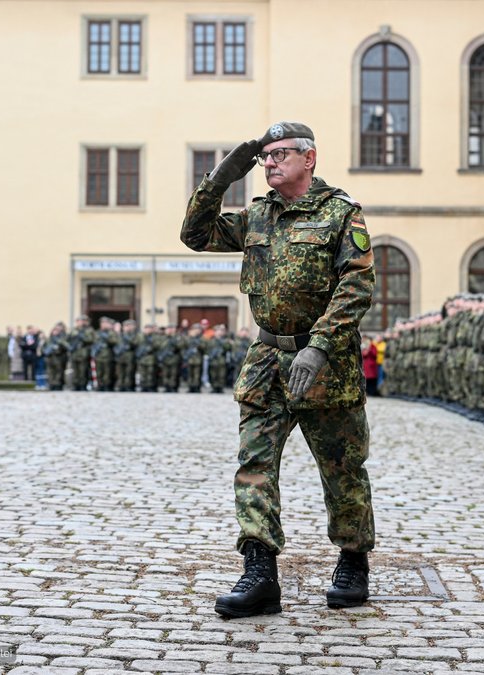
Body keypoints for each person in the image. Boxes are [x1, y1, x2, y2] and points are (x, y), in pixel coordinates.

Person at [181, 121, 376, 617]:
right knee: (255, 466)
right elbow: (195, 235)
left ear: (309, 158)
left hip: (324, 363)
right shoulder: (256, 216)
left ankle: (353, 560)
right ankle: (260, 571)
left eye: (280, 154)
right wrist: (220, 178)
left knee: (341, 467)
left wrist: (320, 345)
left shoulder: (340, 215)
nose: (269, 162)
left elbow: (356, 286)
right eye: (264, 156)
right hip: (267, 360)